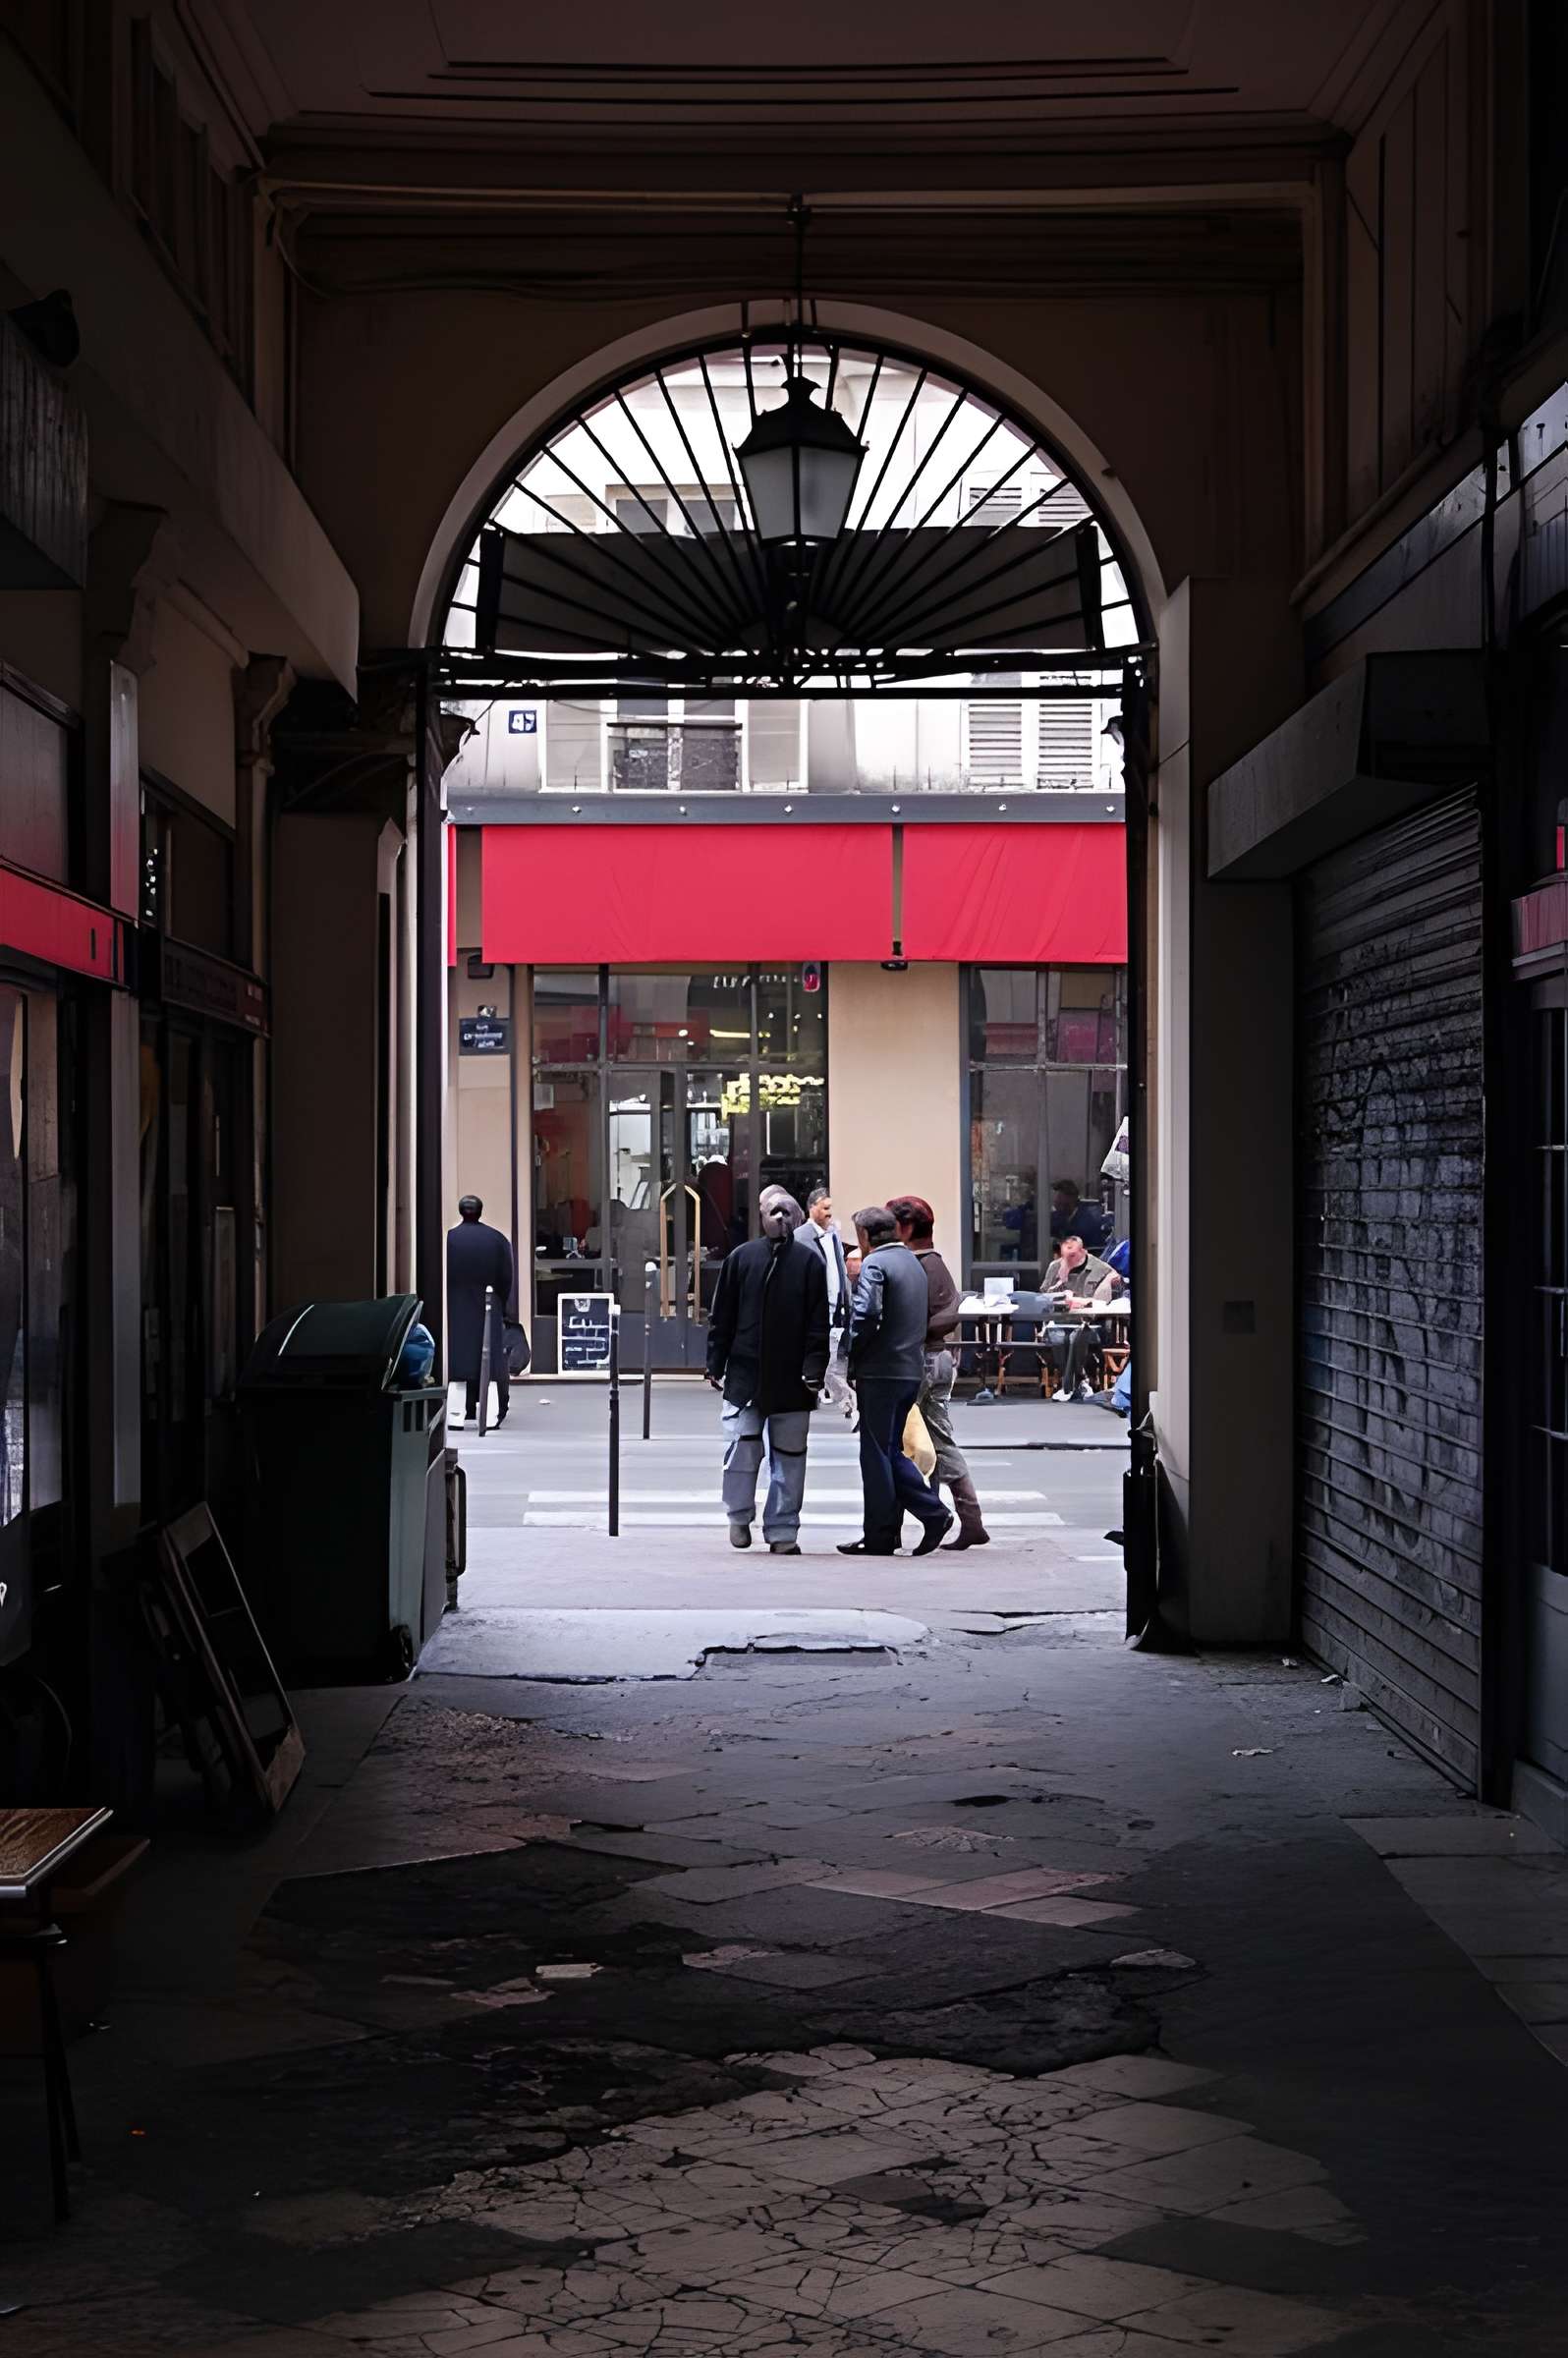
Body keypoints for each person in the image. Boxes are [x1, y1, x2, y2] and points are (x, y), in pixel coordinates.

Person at [706, 1184, 829, 1554]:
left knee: (790, 1457)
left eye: (786, 1212)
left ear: (798, 1217)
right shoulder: (741, 1259)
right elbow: (722, 1316)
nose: (780, 1219)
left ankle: (783, 1531)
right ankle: (738, 1514)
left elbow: (817, 1324)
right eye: (773, 1212)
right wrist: (715, 1362)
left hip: (792, 1379)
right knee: (740, 1451)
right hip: (745, 1376)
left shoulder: (809, 1264)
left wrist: (814, 1368)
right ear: (760, 1218)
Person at [838, 1205, 952, 1558]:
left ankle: (916, 1520)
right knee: (888, 1450)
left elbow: (868, 1312)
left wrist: (853, 1352)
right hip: (908, 1369)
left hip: (881, 1370)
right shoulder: (913, 1264)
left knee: (875, 1454)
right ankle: (889, 1532)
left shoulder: (876, 1264)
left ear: (866, 1236)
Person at [889, 1194, 990, 1549]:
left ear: (906, 1227)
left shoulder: (916, 1265)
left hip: (920, 1360)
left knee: (903, 1443)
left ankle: (916, 1520)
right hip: (938, 1358)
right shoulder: (935, 1263)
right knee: (938, 1440)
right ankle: (969, 1519)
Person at [447, 1194, 515, 1428]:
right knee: (491, 1361)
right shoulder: (496, 1240)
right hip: (489, 1305)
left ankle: (456, 1413)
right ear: (480, 1211)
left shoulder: (449, 1240)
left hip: (455, 1307)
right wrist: (502, 1305)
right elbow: (507, 1277)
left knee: (459, 1361)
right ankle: (492, 1412)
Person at [1041, 1231, 1119, 1403]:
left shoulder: (1100, 1268)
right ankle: (1080, 1380)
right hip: (1060, 1320)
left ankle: (1069, 1386)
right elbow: (1044, 1296)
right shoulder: (1055, 1267)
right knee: (1059, 1339)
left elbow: (1106, 1297)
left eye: (1073, 1255)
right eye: (1065, 1255)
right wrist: (1059, 1285)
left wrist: (1082, 1301)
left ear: (1083, 1252)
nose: (1068, 1259)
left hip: (1088, 1322)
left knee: (1076, 1338)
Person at [803, 1185, 853, 1414]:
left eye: (831, 1208)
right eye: (825, 1208)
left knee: (835, 1364)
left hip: (837, 1309)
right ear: (812, 1209)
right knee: (832, 1367)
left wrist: (846, 1301)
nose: (830, 1213)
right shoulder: (803, 1238)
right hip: (818, 1310)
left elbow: (839, 1271)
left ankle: (843, 1402)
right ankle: (851, 1405)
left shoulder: (832, 1236)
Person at [1050, 1178, 1112, 1255]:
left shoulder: (1087, 1221)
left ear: (1071, 1198)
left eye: (1059, 1197)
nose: (1055, 1202)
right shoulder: (1058, 1216)